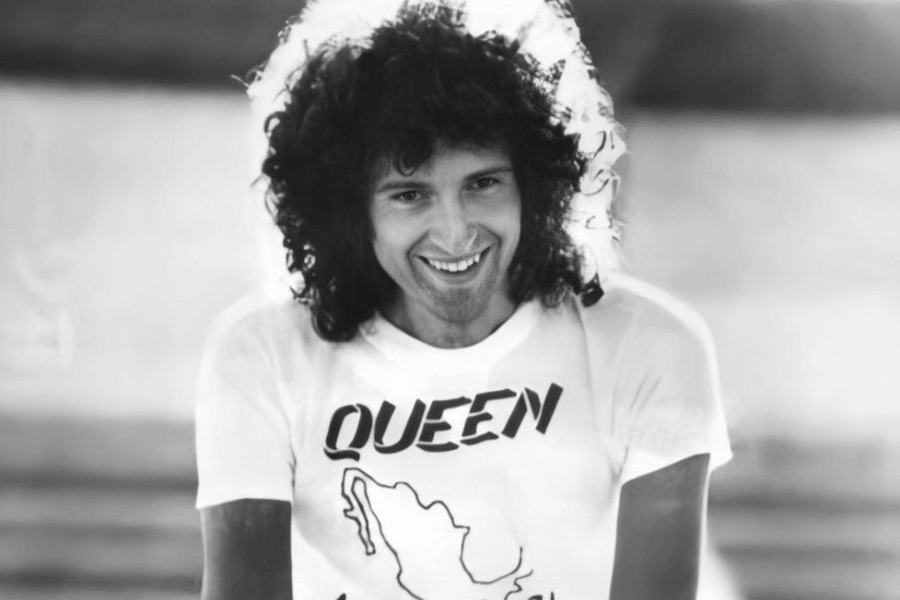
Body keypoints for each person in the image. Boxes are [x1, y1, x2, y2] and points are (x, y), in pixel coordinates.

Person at [195, 1, 732, 599]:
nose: (455, 233)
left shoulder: (650, 346)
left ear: (535, 185)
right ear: (351, 213)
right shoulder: (263, 357)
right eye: (409, 195)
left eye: (482, 183)